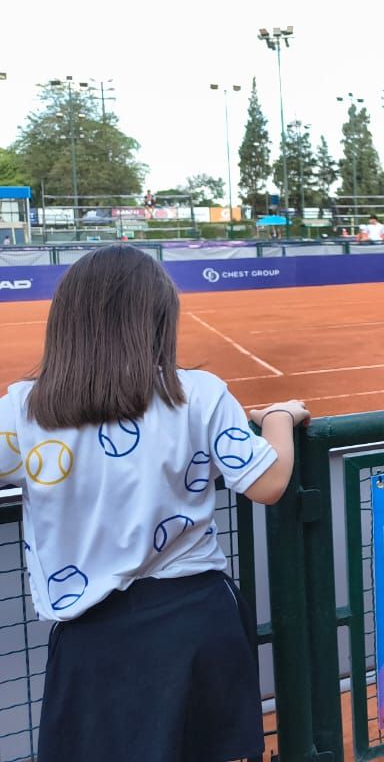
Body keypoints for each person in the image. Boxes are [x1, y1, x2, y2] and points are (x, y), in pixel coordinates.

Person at [0, 245, 310, 761]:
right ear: (159, 320)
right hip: (196, 621)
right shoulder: (198, 393)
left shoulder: (22, 409)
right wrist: (279, 417)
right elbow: (269, 482)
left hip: (91, 638)